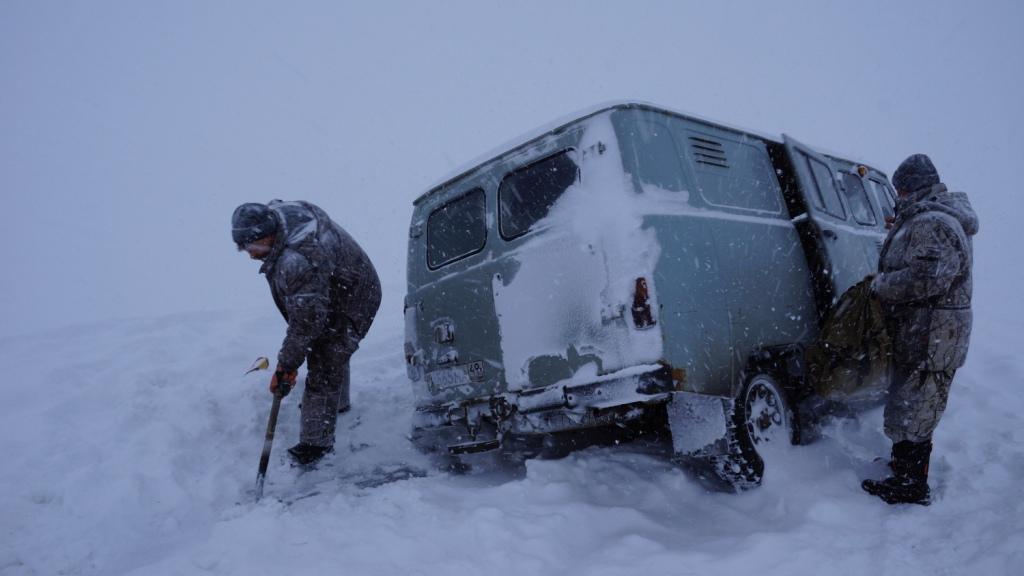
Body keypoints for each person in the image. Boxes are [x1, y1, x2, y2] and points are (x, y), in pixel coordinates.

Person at [861, 154, 978, 505]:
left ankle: (911, 486)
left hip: (931, 334)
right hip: (927, 330)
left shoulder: (932, 222)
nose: (898, 194)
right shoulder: (929, 218)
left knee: (917, 405)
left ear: (912, 187)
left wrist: (881, 285)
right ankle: (903, 468)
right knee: (910, 400)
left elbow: (927, 278)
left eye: (901, 188)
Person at [232, 200, 381, 466]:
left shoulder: (298, 260)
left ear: (267, 235)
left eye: (252, 248)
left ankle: (315, 445)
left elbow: (305, 323)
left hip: (355, 298)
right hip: (339, 285)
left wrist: (286, 366)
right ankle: (336, 404)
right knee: (327, 346)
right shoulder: (279, 217)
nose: (251, 256)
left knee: (326, 358)